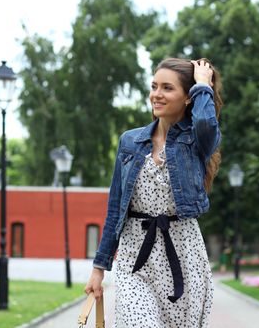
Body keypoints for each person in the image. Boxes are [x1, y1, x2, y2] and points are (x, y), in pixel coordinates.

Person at [85, 57, 223, 327]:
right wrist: (98, 269)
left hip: (183, 256)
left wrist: (203, 84)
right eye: (154, 86)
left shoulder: (196, 141)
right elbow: (115, 210)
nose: (156, 95)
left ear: (187, 97)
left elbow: (207, 124)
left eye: (167, 88)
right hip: (134, 256)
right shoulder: (130, 141)